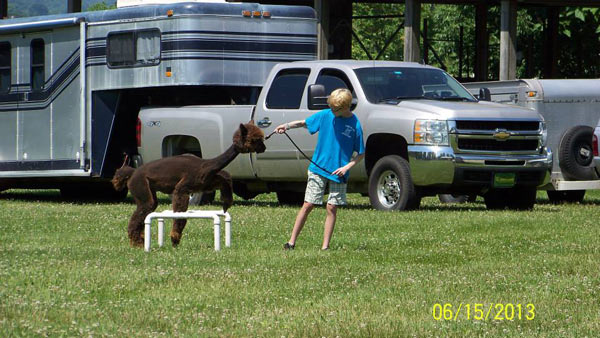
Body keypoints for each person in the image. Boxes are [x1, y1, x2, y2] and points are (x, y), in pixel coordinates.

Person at [274, 88, 365, 250]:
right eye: (330, 107)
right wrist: (286, 126)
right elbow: (304, 122)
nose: (331, 110)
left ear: (345, 107)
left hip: (339, 172)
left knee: (332, 207)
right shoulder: (325, 115)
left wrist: (346, 167)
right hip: (318, 168)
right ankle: (291, 242)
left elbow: (360, 154)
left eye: (334, 109)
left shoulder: (355, 124)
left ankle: (325, 247)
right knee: (308, 204)